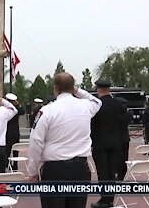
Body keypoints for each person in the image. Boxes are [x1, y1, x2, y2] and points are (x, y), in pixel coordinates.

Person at [28, 73, 101, 208]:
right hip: (80, 169)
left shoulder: (47, 110)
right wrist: (77, 90)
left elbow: (36, 141)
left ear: (55, 88)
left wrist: (32, 170)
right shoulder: (85, 106)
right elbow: (97, 101)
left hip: (55, 170)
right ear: (73, 87)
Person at [91, 80, 124, 208]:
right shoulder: (117, 104)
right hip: (115, 142)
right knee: (111, 172)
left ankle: (104, 200)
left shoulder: (97, 104)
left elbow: (92, 124)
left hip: (100, 143)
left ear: (98, 89)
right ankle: (110, 199)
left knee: (102, 172)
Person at [4, 93, 24, 171]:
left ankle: (9, 165)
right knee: (13, 150)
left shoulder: (7, 108)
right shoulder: (15, 109)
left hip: (8, 132)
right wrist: (17, 105)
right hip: (14, 132)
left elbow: (22, 112)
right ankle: (13, 165)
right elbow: (22, 111)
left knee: (8, 150)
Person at [115, 97, 131, 181]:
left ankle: (119, 174)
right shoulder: (128, 114)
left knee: (118, 158)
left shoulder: (115, 115)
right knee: (125, 157)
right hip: (125, 138)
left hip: (117, 138)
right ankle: (123, 174)